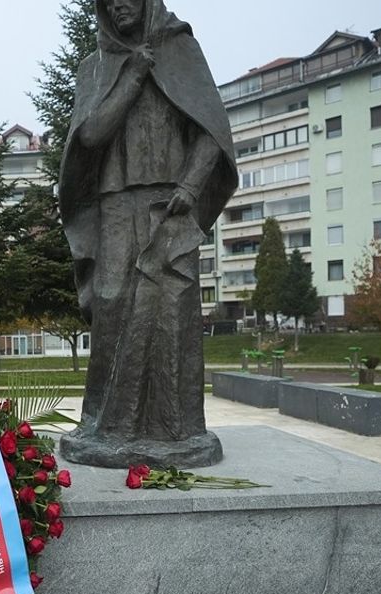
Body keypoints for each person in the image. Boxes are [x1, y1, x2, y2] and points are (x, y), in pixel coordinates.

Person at [58, 0, 239, 468]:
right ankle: (105, 424)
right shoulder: (94, 69)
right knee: (113, 300)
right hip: (115, 199)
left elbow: (211, 133)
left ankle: (175, 429)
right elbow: (92, 136)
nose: (120, 4)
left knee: (169, 309)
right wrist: (134, 75)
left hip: (171, 200)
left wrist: (191, 185)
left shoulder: (180, 51)